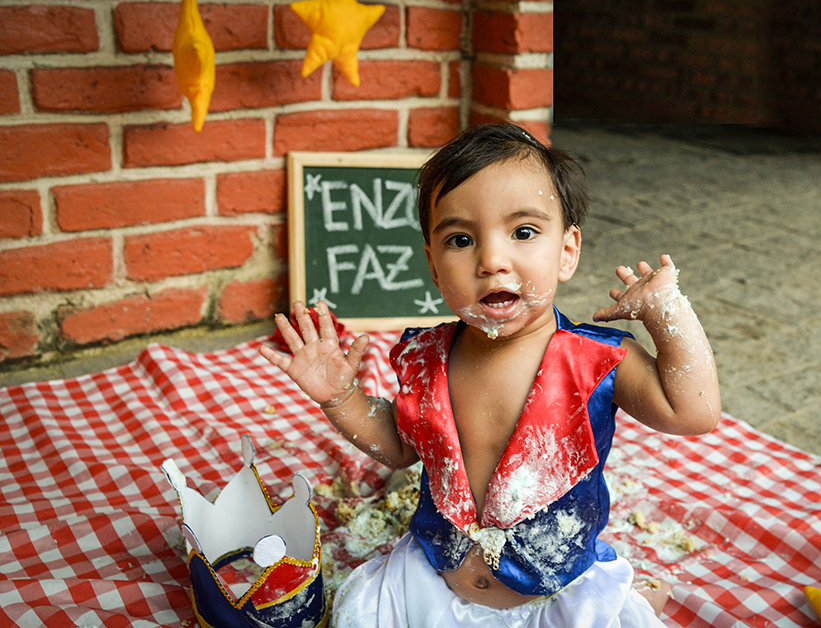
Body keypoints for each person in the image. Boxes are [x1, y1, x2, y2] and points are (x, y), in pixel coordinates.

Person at [260, 122, 721, 627]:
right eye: (461, 239)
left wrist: (666, 313)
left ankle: (630, 595)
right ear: (434, 267)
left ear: (567, 251)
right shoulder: (426, 355)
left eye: (523, 232)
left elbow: (693, 412)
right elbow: (400, 446)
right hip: (435, 580)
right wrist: (341, 397)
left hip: (553, 593)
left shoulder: (598, 358)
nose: (492, 260)